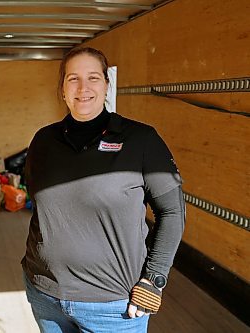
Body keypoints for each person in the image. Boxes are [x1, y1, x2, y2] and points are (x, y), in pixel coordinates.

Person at [21, 45, 185, 332]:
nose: (83, 87)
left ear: (107, 85)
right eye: (73, 78)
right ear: (62, 88)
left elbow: (172, 212)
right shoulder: (43, 141)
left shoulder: (141, 140)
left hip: (113, 306)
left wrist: (155, 278)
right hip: (45, 294)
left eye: (93, 77)